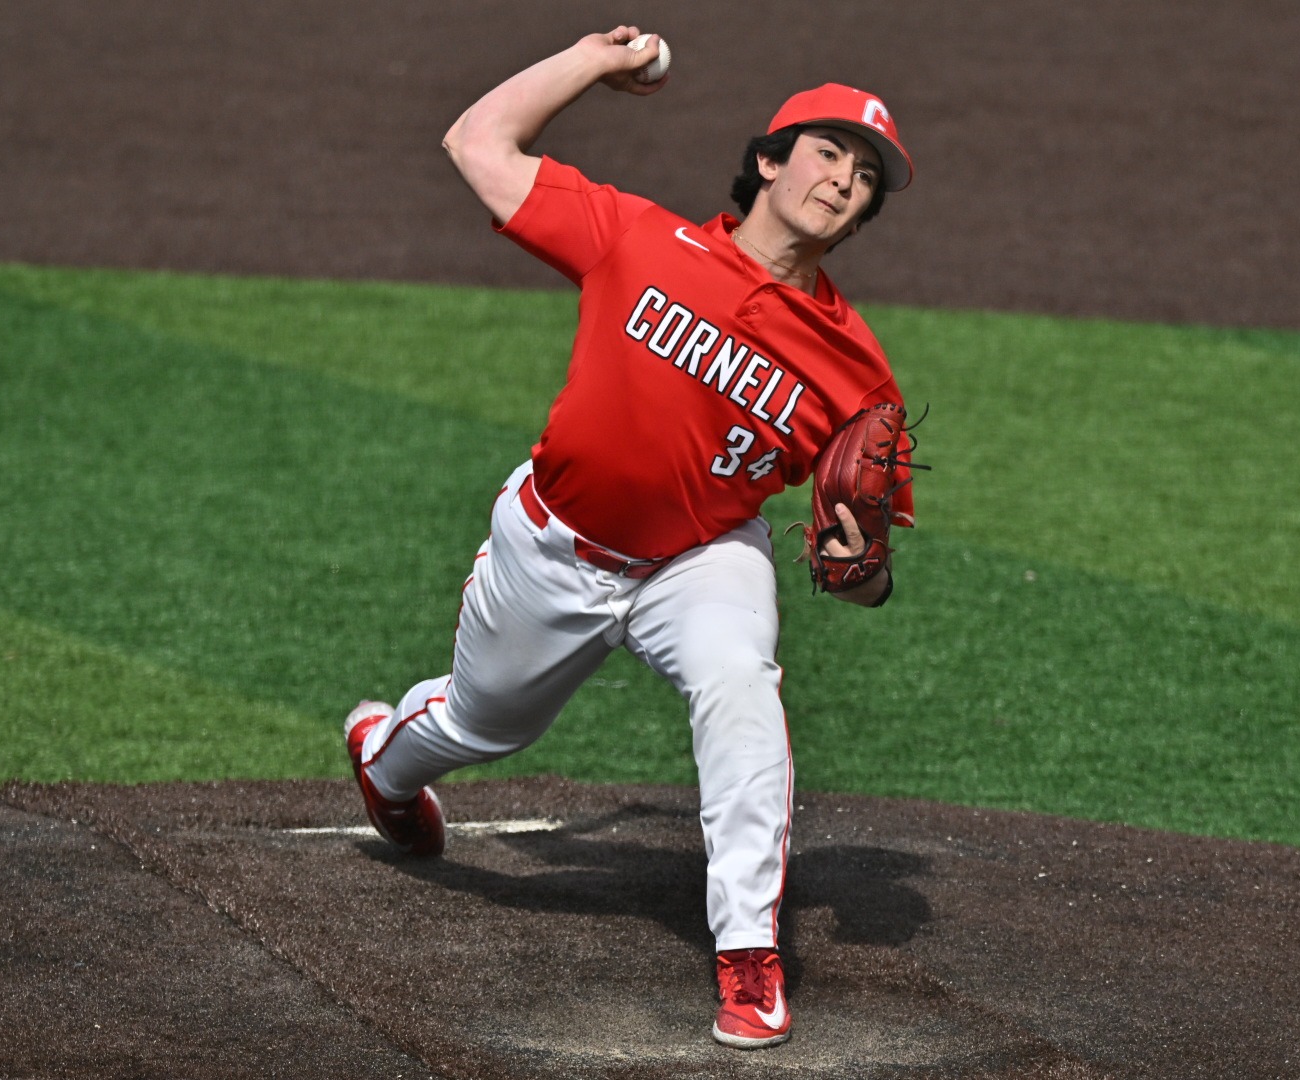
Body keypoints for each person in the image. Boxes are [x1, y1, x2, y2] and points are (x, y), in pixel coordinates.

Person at [341, 26, 917, 1050]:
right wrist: (591, 63)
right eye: (828, 152)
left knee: (741, 681)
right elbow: (477, 144)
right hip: (554, 546)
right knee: (483, 726)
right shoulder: (634, 236)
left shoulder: (856, 373)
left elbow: (866, 570)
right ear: (771, 162)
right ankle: (386, 763)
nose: (843, 180)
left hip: (701, 561)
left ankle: (749, 955)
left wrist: (856, 570)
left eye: (865, 175)